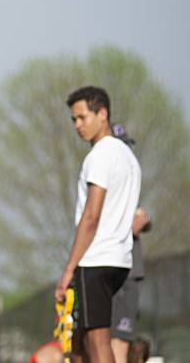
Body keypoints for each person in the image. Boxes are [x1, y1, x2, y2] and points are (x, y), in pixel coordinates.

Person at [55, 87, 141, 363]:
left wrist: (69, 269)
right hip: (120, 260)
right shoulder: (127, 156)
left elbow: (91, 216)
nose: (78, 125)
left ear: (102, 113)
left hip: (95, 259)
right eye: (73, 120)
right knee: (79, 339)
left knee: (98, 341)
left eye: (82, 117)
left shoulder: (100, 155)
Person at [111, 206, 151, 363]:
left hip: (127, 279)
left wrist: (139, 218)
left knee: (121, 340)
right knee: (117, 340)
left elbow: (145, 223)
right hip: (120, 279)